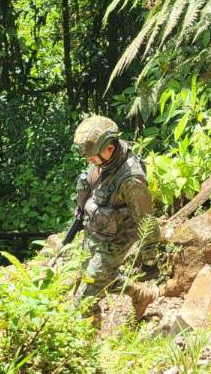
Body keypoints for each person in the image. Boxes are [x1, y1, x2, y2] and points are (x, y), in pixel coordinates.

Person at [70, 115, 158, 324]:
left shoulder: (131, 179)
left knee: (83, 301)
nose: (89, 161)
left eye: (92, 156)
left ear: (109, 148)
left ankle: (85, 350)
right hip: (96, 232)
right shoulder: (105, 163)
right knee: (90, 279)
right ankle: (140, 295)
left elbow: (146, 221)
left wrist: (150, 260)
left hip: (115, 242)